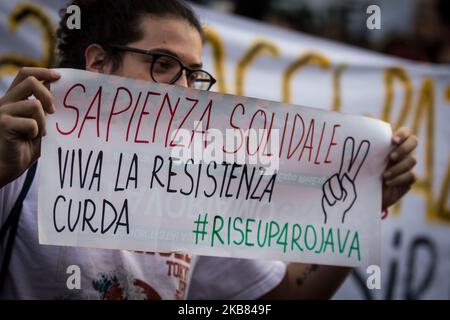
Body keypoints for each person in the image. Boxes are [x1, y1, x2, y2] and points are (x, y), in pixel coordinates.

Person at [0, 0, 417, 299]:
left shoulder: (197, 185)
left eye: (194, 74)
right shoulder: (20, 155)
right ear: (97, 63)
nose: (184, 89)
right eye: (163, 65)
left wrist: (363, 205)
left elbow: (284, 295)